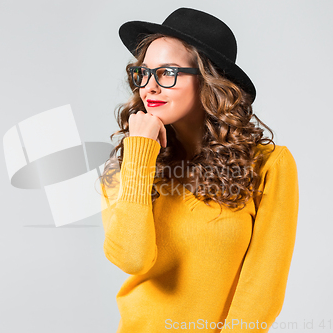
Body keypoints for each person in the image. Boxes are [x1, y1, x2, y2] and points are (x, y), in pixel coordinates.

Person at [98, 7, 299, 333]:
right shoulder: (131, 161)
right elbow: (131, 258)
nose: (148, 87)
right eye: (142, 73)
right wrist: (140, 153)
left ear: (209, 80)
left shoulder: (268, 165)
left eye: (166, 73)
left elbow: (263, 288)